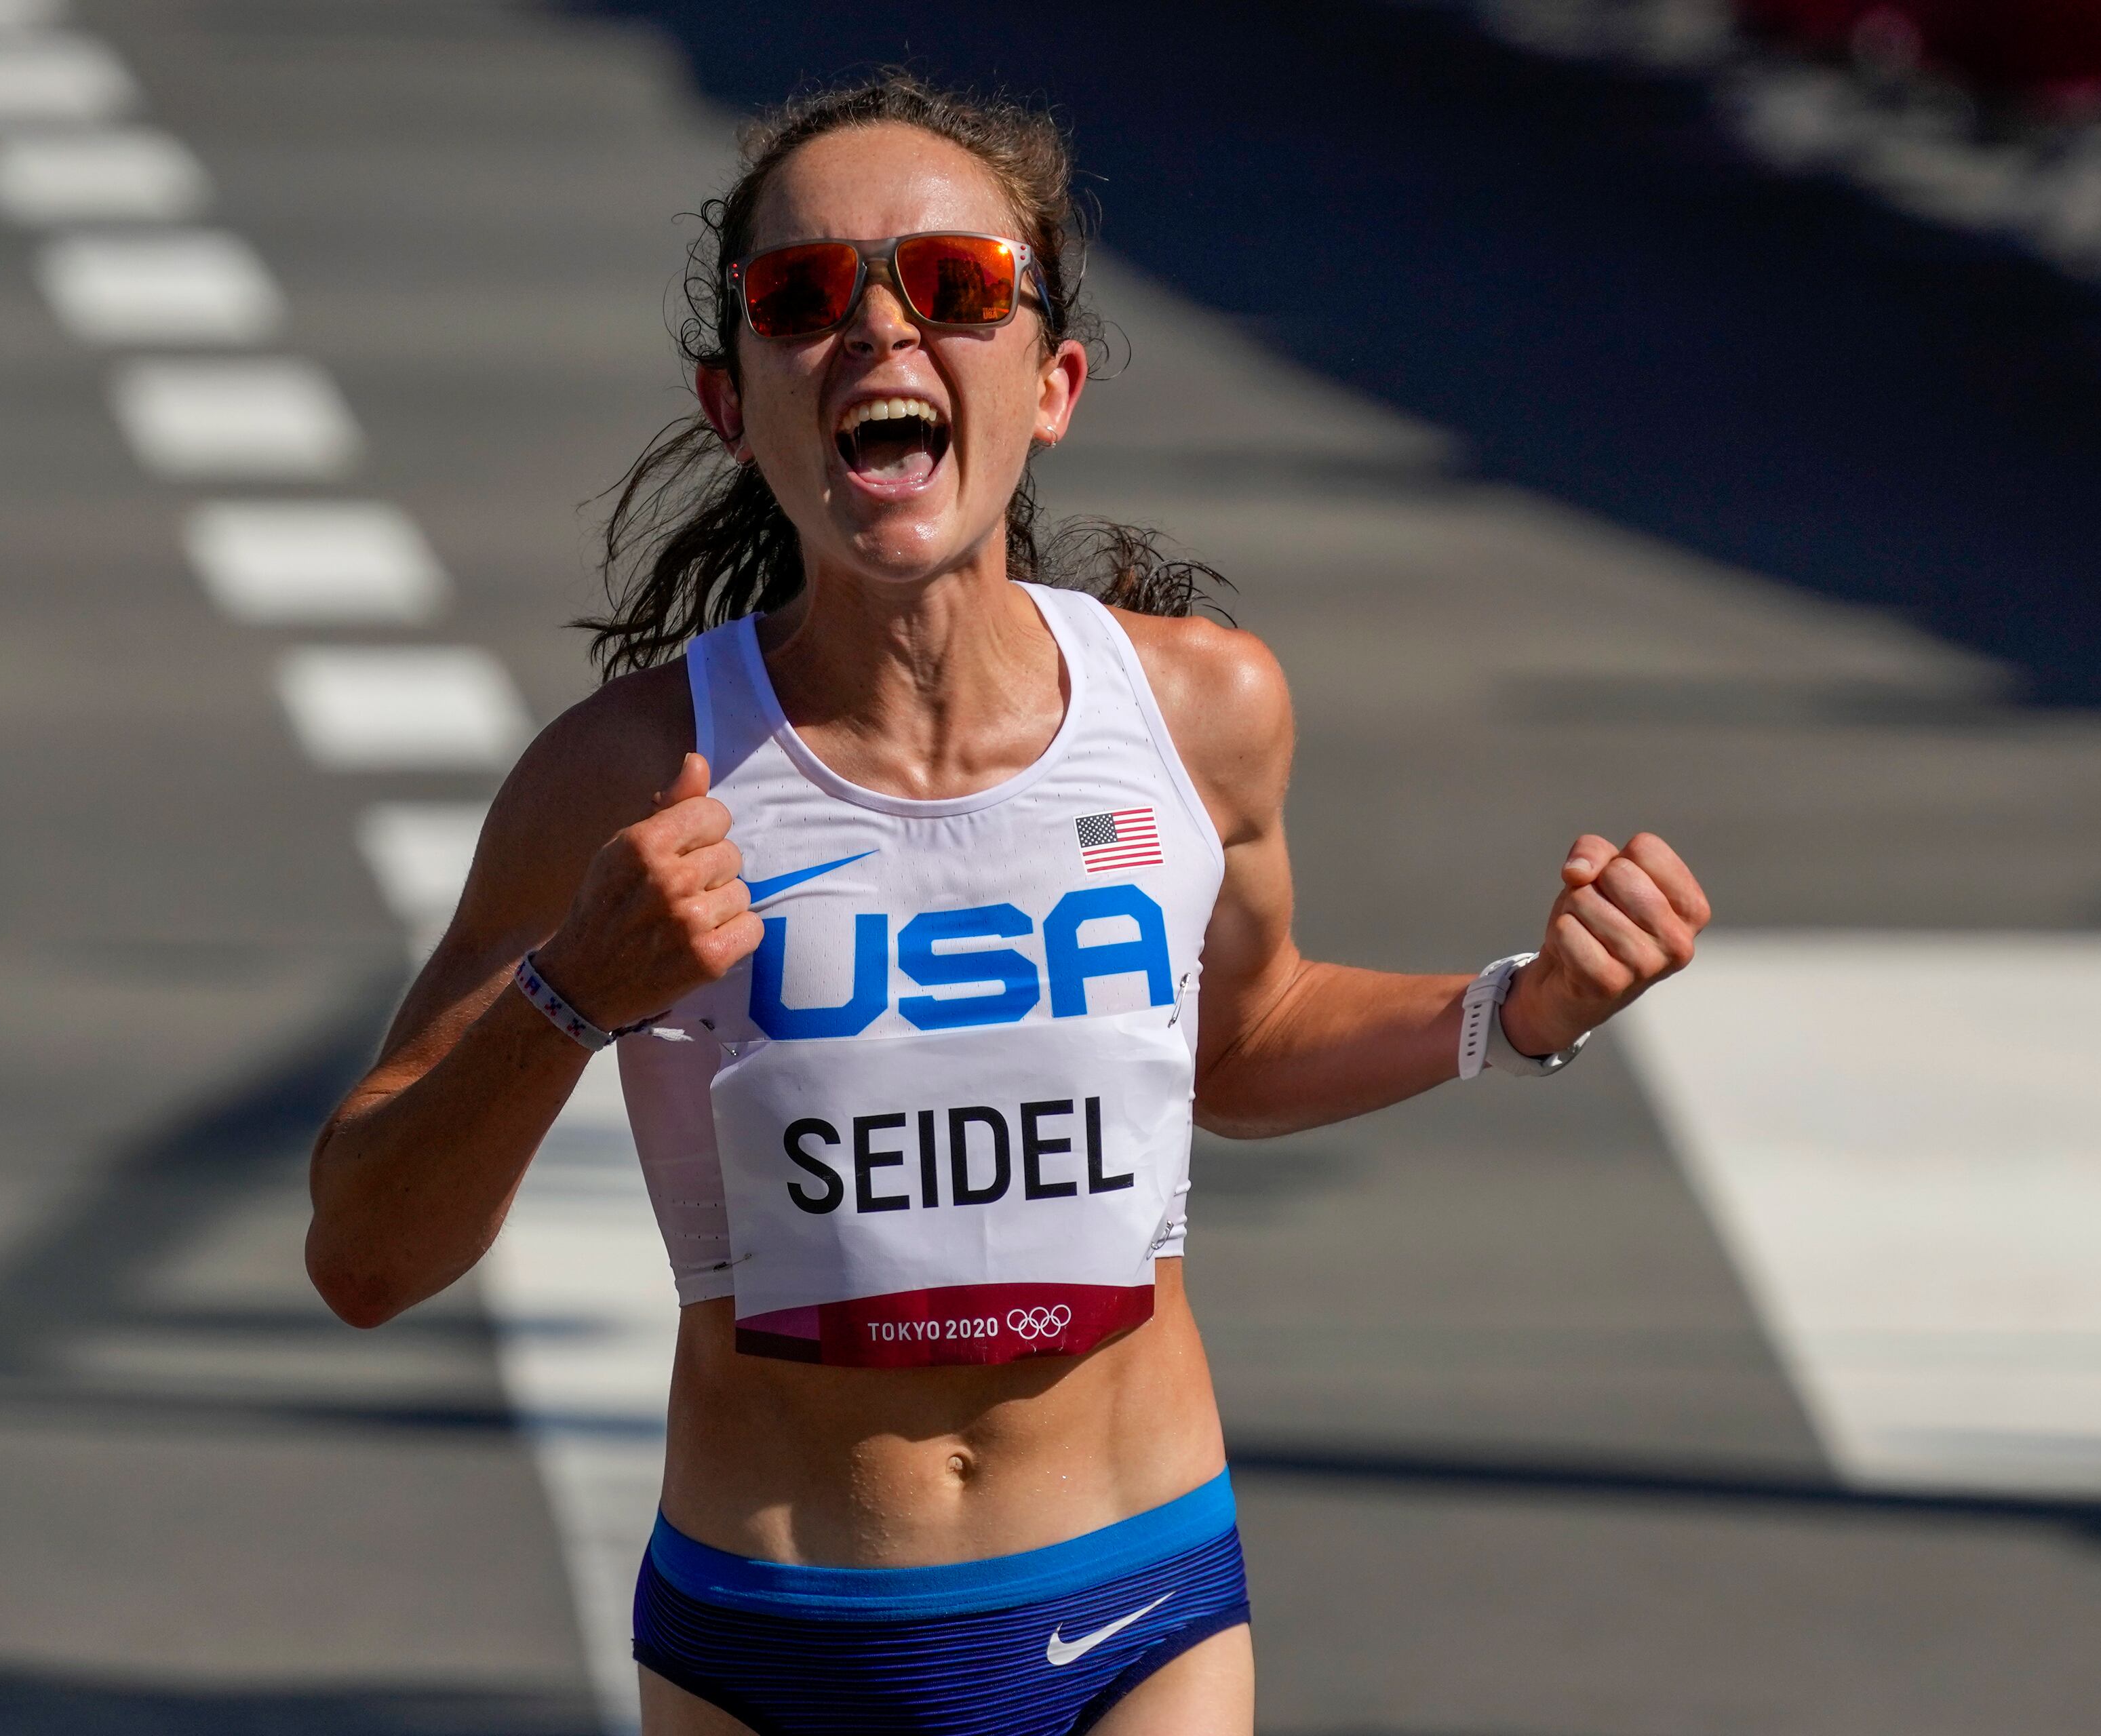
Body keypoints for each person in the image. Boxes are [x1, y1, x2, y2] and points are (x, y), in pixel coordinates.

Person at [305, 74, 1710, 1736]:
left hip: (1140, 1601)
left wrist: (1513, 1008)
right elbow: (368, 1254)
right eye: (804, 297)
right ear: (730, 402)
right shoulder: (628, 775)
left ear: (1049, 384)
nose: (881, 331)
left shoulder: (1201, 713)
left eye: (956, 286)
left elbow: (1237, 1037)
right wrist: (570, 991)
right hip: (776, 1638)